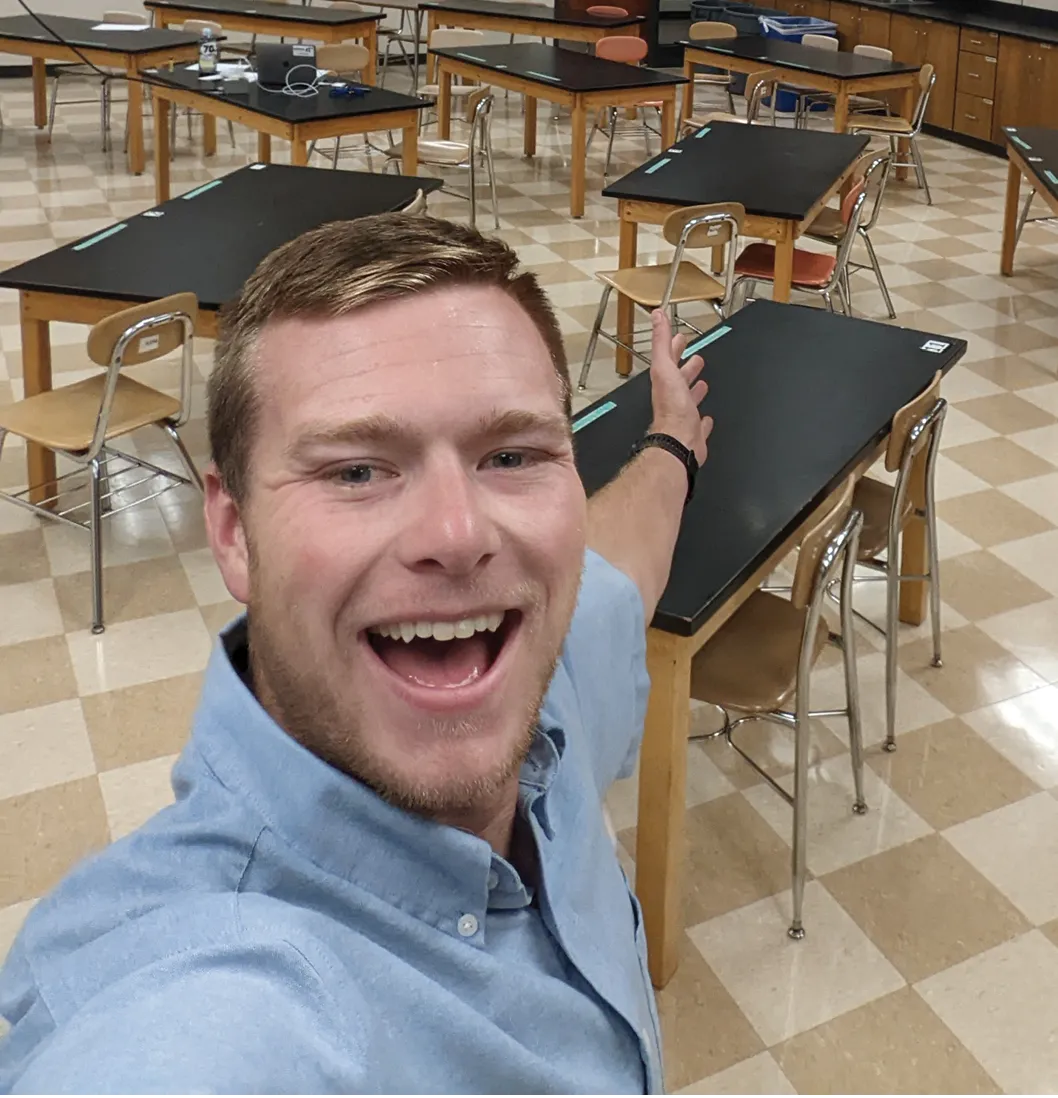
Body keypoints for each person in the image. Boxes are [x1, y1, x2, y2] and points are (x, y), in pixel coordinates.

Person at [0, 215, 712, 1096]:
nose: (459, 534)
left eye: (511, 455)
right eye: (356, 471)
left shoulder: (545, 683)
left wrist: (672, 444)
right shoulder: (207, 1006)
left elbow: (617, 568)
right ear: (233, 531)